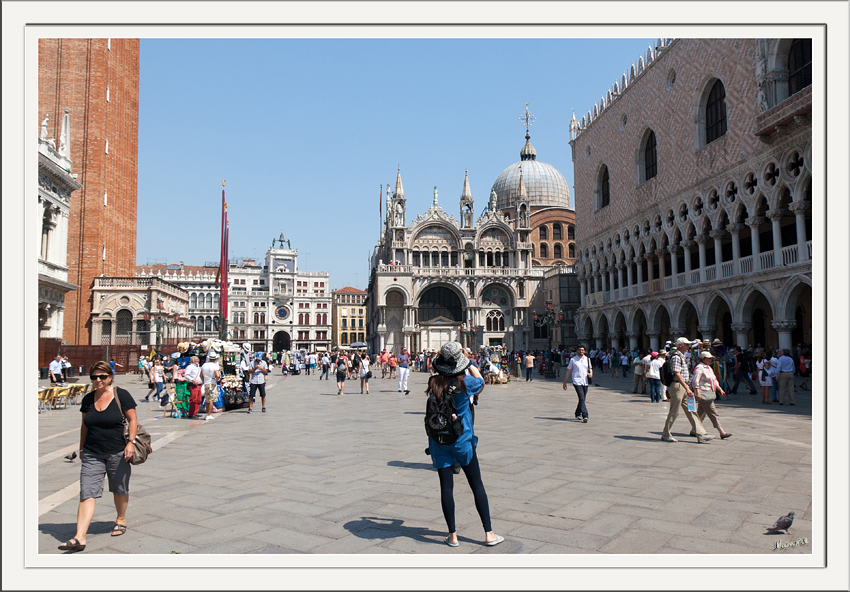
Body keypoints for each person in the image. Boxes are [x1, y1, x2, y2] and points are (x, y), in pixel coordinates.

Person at [426, 341, 502, 548]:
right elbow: (481, 381)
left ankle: (452, 536)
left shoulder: (434, 382)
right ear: (459, 363)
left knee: (446, 488)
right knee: (476, 485)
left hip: (439, 442)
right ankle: (489, 534)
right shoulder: (466, 383)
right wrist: (468, 363)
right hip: (462, 441)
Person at [58, 361, 137, 552]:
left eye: (102, 376)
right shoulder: (88, 399)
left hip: (117, 451)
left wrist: (131, 442)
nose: (98, 380)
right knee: (87, 493)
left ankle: (120, 518)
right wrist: (82, 448)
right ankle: (80, 537)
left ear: (110, 377)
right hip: (93, 452)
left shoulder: (121, 395)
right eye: (94, 377)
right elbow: (85, 425)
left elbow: (133, 419)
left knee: (119, 488)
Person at [661, 337, 713, 443]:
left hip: (683, 387)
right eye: (686, 344)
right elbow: (677, 373)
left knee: (691, 410)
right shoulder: (676, 356)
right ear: (680, 345)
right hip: (677, 387)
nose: (689, 346)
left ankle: (701, 434)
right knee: (674, 411)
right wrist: (687, 388)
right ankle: (666, 433)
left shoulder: (681, 356)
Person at [690, 351, 731, 439]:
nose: (710, 360)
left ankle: (694, 429)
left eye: (711, 358)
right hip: (703, 392)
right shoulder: (699, 368)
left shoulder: (709, 368)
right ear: (703, 359)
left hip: (709, 392)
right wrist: (698, 392)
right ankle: (721, 431)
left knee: (701, 412)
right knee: (713, 412)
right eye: (708, 358)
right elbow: (695, 381)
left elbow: (714, 380)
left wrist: (720, 389)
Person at [563, 345, 592, 422]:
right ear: (577, 351)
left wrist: (591, 374)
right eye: (579, 350)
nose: (581, 351)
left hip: (585, 381)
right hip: (577, 381)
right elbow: (568, 371)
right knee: (582, 398)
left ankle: (577, 413)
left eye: (582, 350)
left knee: (582, 399)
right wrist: (564, 382)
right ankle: (585, 415)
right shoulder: (573, 360)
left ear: (584, 351)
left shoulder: (587, 359)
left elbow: (590, 368)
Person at [200, 351, 221, 421]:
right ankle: (209, 414)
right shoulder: (215, 365)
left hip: (206, 383)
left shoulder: (204, 365)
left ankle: (207, 413)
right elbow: (218, 375)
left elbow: (201, 375)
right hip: (212, 383)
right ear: (215, 359)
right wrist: (216, 379)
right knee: (211, 399)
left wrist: (203, 381)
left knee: (207, 399)